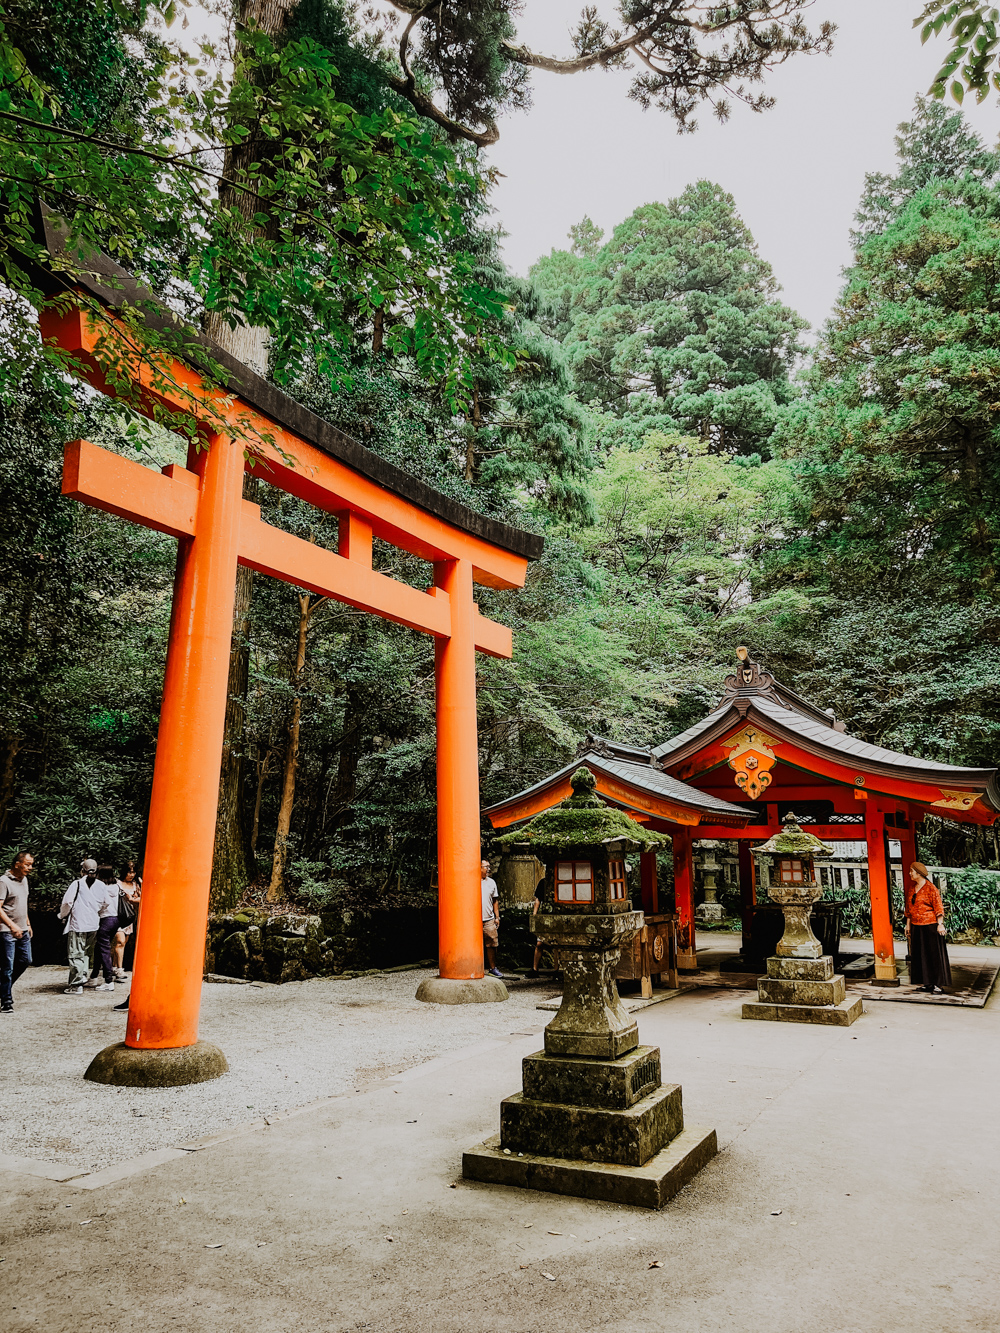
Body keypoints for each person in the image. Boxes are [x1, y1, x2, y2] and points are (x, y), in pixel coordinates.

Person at [59, 859, 112, 995]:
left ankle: (76, 984)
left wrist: (62, 915)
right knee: (86, 953)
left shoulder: (77, 884)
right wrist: (96, 910)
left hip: (78, 923)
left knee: (76, 953)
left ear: (82, 870)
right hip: (93, 923)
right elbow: (107, 903)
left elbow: (67, 902)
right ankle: (82, 977)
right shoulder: (101, 885)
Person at [905, 861, 952, 994]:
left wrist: (940, 924)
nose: (910, 874)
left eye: (911, 871)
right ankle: (927, 983)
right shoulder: (912, 888)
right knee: (920, 955)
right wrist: (908, 925)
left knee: (933, 955)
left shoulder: (931, 889)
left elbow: (938, 907)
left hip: (930, 925)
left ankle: (938, 984)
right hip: (916, 925)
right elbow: (909, 909)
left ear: (918, 873)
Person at [0, 851, 34, 1013]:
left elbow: (22, 903)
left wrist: (27, 923)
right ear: (17, 864)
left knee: (26, 959)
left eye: (31, 864)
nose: (30, 867)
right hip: (6, 930)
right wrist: (12, 926)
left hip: (22, 929)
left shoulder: (24, 880)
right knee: (7, 966)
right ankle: (6, 1000)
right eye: (27, 864)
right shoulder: (3, 881)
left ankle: (2, 988)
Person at [84, 864, 119, 991]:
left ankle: (108, 981)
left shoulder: (100, 888)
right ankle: (93, 977)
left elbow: (101, 903)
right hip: (115, 920)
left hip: (105, 919)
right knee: (99, 948)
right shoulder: (116, 886)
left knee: (104, 950)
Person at [112, 860, 141, 981]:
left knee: (122, 943)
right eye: (129, 872)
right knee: (120, 941)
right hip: (118, 916)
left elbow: (143, 898)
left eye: (133, 872)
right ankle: (120, 969)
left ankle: (113, 966)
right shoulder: (117, 884)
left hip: (129, 918)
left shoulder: (135, 885)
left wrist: (133, 900)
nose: (131, 874)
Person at [481, 858, 502, 979]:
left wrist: (497, 917)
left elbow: (495, 901)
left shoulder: (491, 882)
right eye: (485, 867)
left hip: (488, 918)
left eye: (489, 866)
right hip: (474, 920)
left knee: (492, 943)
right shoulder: (472, 881)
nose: (488, 869)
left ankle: (493, 968)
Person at [526, 878, 544, 979]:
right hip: (543, 917)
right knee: (539, 943)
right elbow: (538, 899)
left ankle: (556, 970)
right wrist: (534, 915)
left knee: (556, 946)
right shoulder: (543, 882)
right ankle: (535, 969)